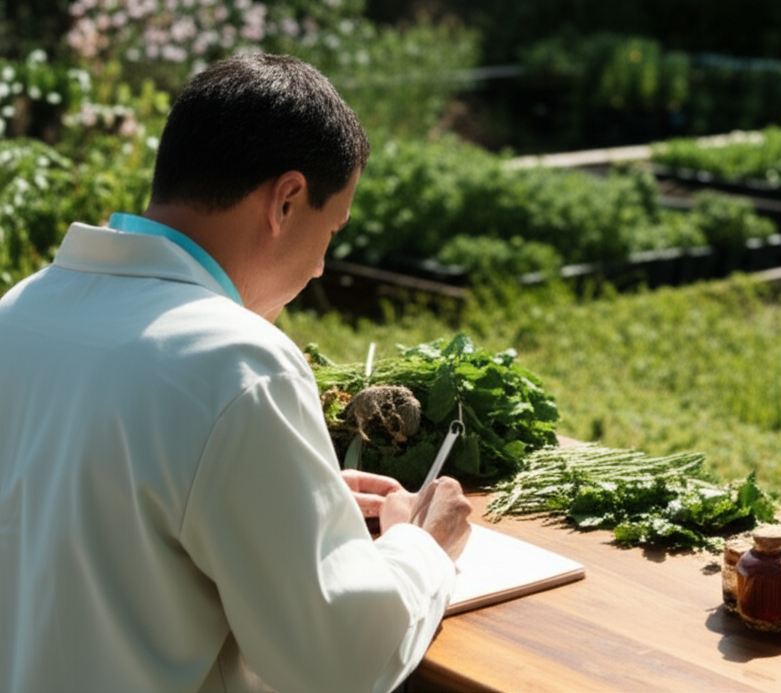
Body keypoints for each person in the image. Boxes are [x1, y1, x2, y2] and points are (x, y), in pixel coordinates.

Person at [0, 52, 473, 693]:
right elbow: (337, 663)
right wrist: (423, 547)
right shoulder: (240, 364)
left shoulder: (23, 309)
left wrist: (278, 489)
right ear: (287, 200)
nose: (319, 270)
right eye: (330, 232)